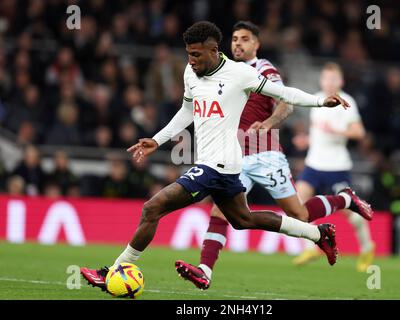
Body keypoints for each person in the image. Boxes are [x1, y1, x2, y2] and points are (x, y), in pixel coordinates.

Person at [81, 21, 372, 291]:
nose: (191, 60)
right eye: (188, 54)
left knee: (152, 208)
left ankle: (114, 272)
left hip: (217, 166)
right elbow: (187, 110)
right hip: (229, 165)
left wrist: (321, 101)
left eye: (196, 54)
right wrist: (157, 140)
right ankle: (318, 235)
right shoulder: (190, 72)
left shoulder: (240, 74)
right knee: (243, 220)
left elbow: (286, 94)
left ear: (212, 50)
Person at [173, 21, 373, 290]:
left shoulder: (264, 69)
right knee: (220, 211)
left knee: (300, 215)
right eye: (234, 39)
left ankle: (345, 199)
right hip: (235, 157)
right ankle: (205, 271)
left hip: (266, 154)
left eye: (245, 39)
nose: (238, 44)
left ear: (256, 44)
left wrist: (267, 124)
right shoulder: (226, 71)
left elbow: (285, 102)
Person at [292, 62, 375, 272]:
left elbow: (359, 133)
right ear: (321, 80)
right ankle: (310, 247)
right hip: (313, 164)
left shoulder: (348, 102)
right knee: (297, 204)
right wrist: (307, 140)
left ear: (341, 81)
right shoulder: (318, 99)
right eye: (325, 78)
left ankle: (367, 247)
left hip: (337, 166)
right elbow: (319, 133)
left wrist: (336, 131)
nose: (328, 82)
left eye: (333, 79)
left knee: (350, 212)